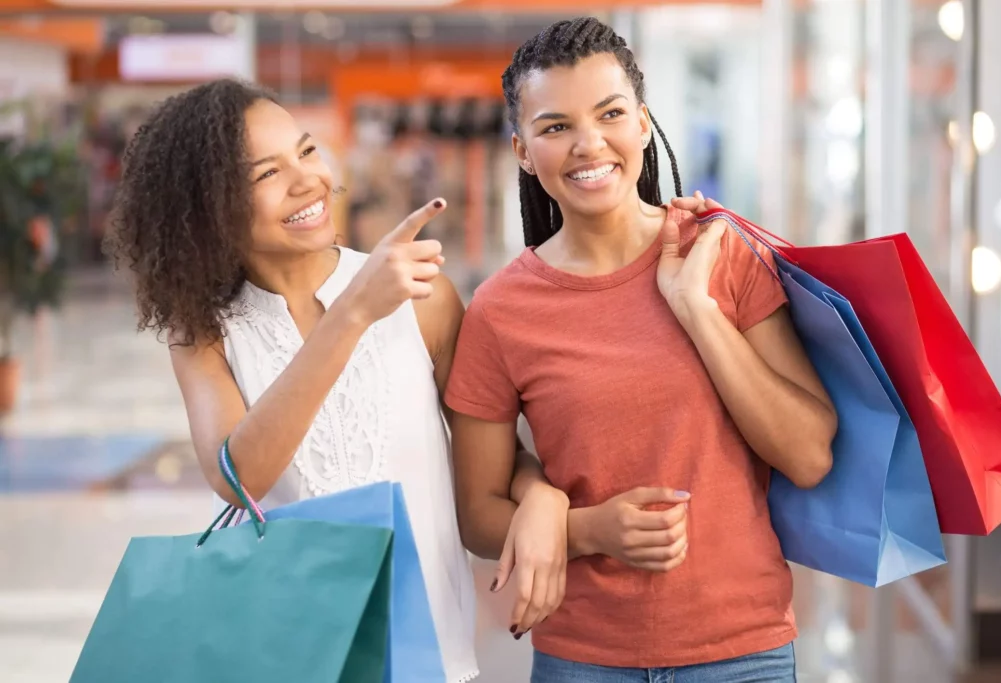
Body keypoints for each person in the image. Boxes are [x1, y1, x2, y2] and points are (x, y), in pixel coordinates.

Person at [104, 79, 568, 683]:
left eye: (305, 151)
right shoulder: (206, 333)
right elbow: (239, 477)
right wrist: (351, 313)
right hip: (291, 654)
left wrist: (542, 497)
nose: (307, 181)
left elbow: (495, 458)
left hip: (422, 651)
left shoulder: (422, 299)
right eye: (265, 174)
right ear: (208, 207)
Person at [445, 17, 839, 682]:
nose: (588, 143)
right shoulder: (499, 311)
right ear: (521, 149)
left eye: (610, 114)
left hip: (743, 651)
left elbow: (808, 454)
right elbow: (477, 513)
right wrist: (586, 529)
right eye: (555, 126)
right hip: (583, 657)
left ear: (643, 122)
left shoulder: (718, 252)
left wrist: (698, 310)